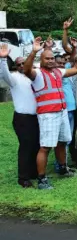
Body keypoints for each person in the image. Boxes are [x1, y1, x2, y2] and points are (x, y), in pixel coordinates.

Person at [23, 37, 77, 189]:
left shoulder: (58, 71)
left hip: (62, 112)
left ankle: (63, 168)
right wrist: (33, 52)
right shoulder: (37, 74)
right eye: (47, 59)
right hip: (48, 115)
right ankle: (42, 179)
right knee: (45, 147)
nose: (51, 61)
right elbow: (26, 70)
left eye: (52, 58)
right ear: (41, 60)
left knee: (62, 142)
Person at [0, 44, 39, 188]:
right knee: (26, 146)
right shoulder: (15, 78)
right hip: (23, 118)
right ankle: (23, 177)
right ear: (16, 67)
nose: (22, 65)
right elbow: (4, 74)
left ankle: (34, 172)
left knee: (37, 145)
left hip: (37, 117)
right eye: (19, 64)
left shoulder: (34, 76)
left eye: (24, 63)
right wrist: (3, 59)